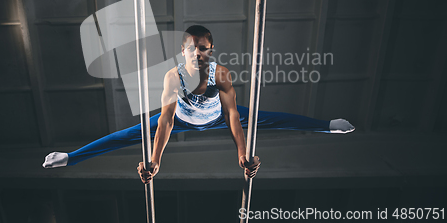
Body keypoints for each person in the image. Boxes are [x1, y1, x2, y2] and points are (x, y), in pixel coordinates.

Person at [43, 25, 355, 184]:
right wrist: (156, 161)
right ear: (182, 53)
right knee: (127, 135)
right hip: (179, 118)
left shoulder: (221, 73)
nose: (197, 54)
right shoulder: (173, 76)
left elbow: (233, 115)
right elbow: (164, 121)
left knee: (268, 118)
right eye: (191, 50)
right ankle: (71, 157)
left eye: (203, 49)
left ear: (210, 50)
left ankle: (326, 127)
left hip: (217, 116)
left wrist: (243, 154)